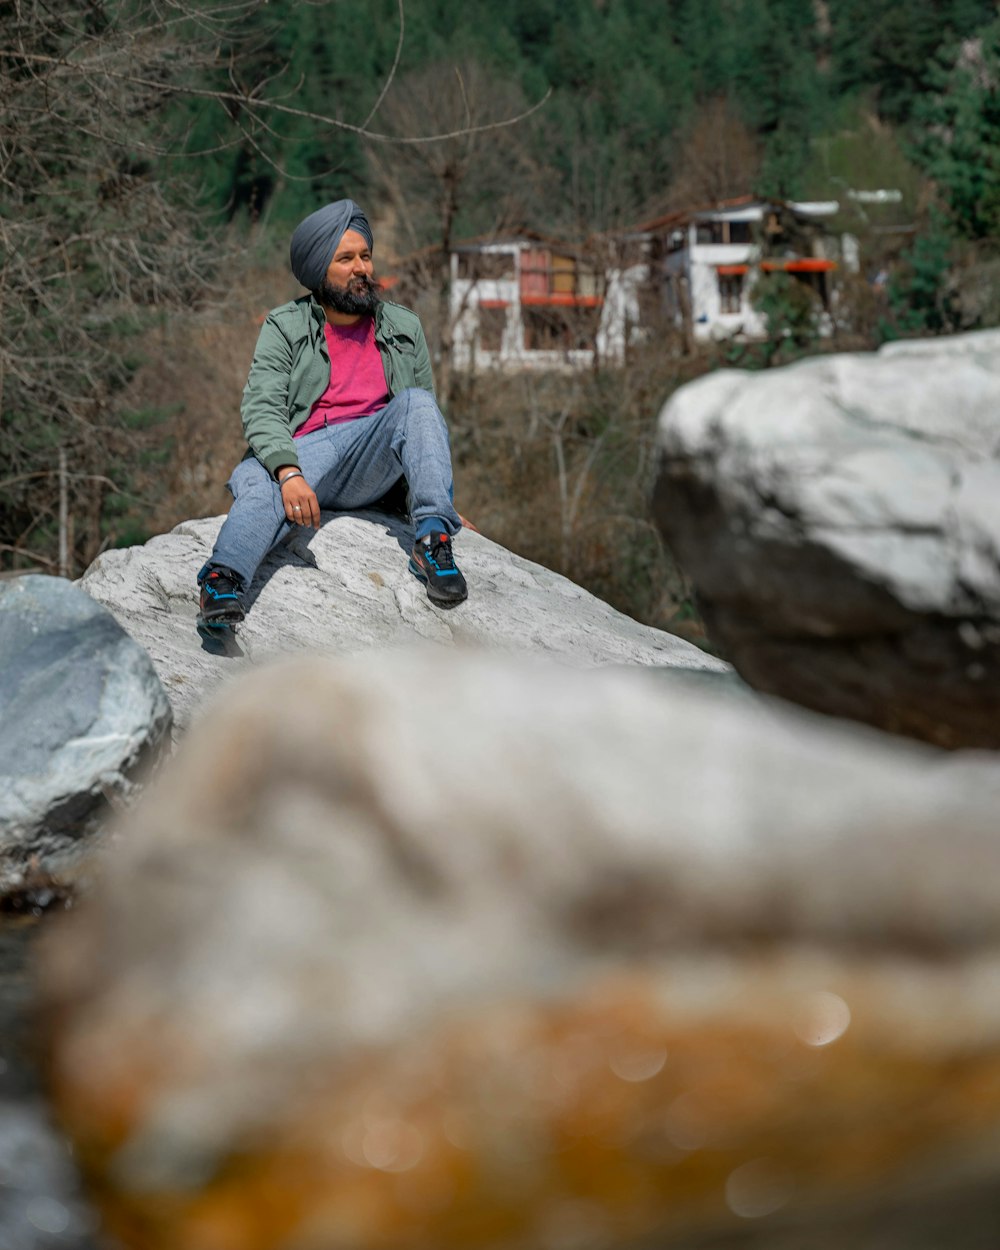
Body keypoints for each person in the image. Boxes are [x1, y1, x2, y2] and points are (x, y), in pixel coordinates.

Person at [198, 198, 467, 624]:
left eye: (365, 256)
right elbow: (262, 406)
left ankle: (432, 540)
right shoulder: (285, 325)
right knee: (257, 478)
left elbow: (423, 424)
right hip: (306, 452)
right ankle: (222, 580)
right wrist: (287, 473)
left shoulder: (404, 327)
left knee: (418, 402)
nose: (362, 268)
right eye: (346, 259)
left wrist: (436, 498)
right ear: (319, 269)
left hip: (370, 461)